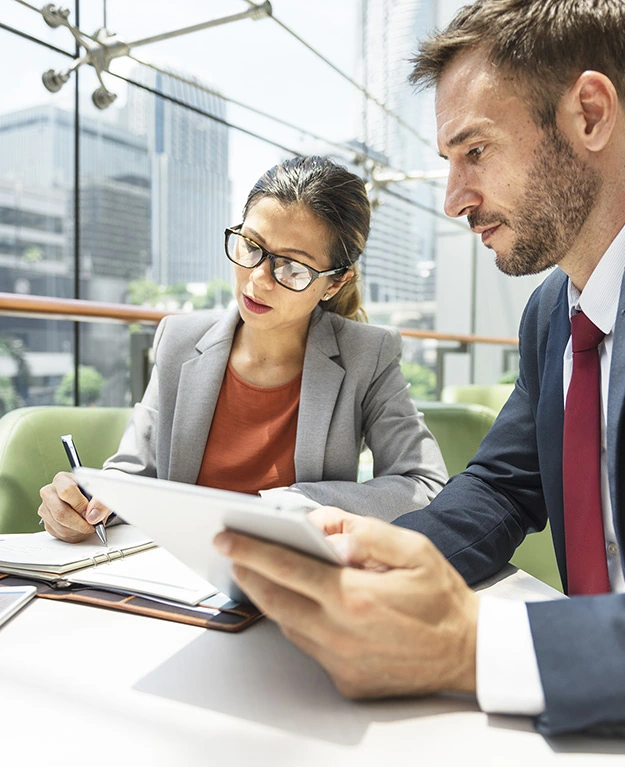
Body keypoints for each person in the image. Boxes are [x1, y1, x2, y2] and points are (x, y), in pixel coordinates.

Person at [214, 0, 625, 738]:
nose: (453, 200)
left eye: (475, 151)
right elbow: (503, 484)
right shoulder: (551, 316)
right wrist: (378, 565)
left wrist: (471, 643)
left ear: (589, 114)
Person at [38, 155, 447, 543]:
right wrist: (86, 502)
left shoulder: (367, 354)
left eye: (293, 267)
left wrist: (294, 504)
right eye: (251, 246)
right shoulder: (178, 341)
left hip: (291, 574)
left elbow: (423, 483)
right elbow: (134, 474)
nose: (258, 279)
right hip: (175, 576)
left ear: (335, 283)